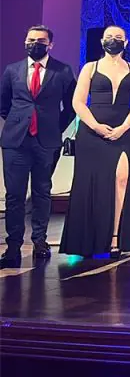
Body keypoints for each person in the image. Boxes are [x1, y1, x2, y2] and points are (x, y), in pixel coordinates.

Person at [0, 26, 76, 268]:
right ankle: (13, 247)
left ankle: (40, 242)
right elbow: (3, 105)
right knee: (14, 195)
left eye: (40, 41)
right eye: (30, 39)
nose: (34, 43)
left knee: (42, 192)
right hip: (16, 141)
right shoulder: (12, 70)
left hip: (47, 141)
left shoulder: (63, 71)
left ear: (50, 44)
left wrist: (55, 128)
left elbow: (71, 106)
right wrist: (18, 123)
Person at [60, 26, 130, 258]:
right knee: (90, 182)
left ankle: (115, 237)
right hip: (92, 132)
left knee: (121, 179)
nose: (113, 40)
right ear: (102, 41)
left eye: (118, 37)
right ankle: (88, 239)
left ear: (126, 42)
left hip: (123, 131)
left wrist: (124, 126)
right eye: (109, 37)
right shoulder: (90, 67)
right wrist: (95, 126)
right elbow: (78, 102)